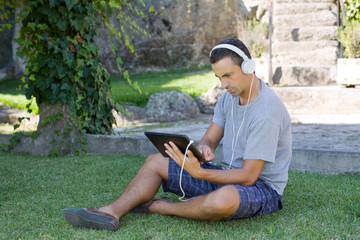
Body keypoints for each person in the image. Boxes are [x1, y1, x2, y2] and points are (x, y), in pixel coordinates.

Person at [62, 38, 292, 231]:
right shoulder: (227, 99)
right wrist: (203, 150)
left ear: (248, 68)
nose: (223, 84)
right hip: (225, 174)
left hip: (262, 189)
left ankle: (159, 206)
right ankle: (111, 213)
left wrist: (200, 173)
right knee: (155, 162)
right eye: (219, 77)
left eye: (228, 76)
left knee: (222, 200)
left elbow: (249, 177)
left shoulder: (266, 111)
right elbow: (210, 138)